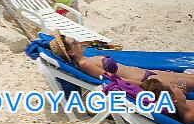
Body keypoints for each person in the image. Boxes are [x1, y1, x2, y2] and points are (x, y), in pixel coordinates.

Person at [49, 30, 194, 91]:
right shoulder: (85, 64)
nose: (79, 42)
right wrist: (145, 85)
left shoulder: (86, 59)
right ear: (70, 51)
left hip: (147, 73)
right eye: (75, 42)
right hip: (147, 79)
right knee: (188, 82)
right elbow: (114, 80)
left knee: (188, 78)